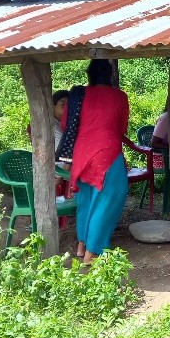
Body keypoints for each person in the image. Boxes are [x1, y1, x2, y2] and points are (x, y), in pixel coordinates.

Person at [62, 59, 129, 266]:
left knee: (86, 200)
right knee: (108, 200)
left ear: (88, 74)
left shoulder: (78, 95)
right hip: (107, 152)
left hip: (82, 154)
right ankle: (93, 252)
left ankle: (82, 246)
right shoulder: (119, 96)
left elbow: (65, 125)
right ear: (109, 75)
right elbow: (122, 128)